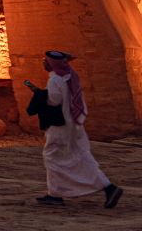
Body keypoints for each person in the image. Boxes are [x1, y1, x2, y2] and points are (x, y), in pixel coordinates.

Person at [24, 50, 123, 208]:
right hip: (73, 125)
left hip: (60, 127)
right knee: (78, 156)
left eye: (45, 61)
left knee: (53, 157)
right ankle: (55, 194)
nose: (43, 64)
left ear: (51, 64)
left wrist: (39, 95)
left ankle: (107, 188)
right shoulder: (69, 77)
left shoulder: (55, 79)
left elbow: (54, 101)